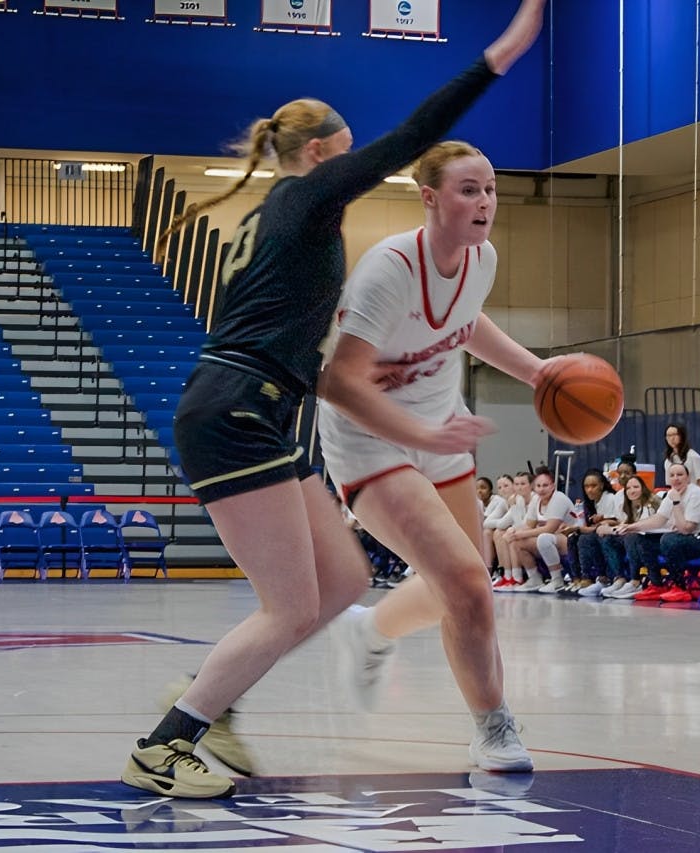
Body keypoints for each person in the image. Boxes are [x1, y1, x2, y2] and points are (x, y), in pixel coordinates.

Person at [119, 0, 549, 799]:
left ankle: (213, 701)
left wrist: (332, 376)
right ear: (319, 155)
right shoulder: (310, 198)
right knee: (288, 608)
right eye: (348, 158)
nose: (359, 168)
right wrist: (500, 56)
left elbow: (267, 334)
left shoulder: (279, 221)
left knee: (345, 585)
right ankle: (167, 740)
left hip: (260, 402)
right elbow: (415, 134)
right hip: (236, 413)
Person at [318, 139, 566, 773]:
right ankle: (493, 725)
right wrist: (421, 436)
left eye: (489, 189)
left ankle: (369, 630)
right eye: (468, 189)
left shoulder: (481, 259)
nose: (484, 201)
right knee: (464, 583)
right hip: (370, 438)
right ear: (429, 197)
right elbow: (339, 382)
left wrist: (538, 372)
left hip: (440, 427)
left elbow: (469, 321)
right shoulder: (388, 270)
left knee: (467, 583)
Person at [623, 462, 700, 602]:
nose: (676, 478)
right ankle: (657, 584)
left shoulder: (695, 494)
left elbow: (686, 528)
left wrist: (677, 503)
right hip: (689, 541)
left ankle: (679, 587)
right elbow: (658, 519)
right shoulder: (671, 494)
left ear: (688, 478)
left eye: (680, 475)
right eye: (672, 475)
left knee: (670, 540)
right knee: (642, 540)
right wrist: (631, 527)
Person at [663, 422, 700, 490]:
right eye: (669, 435)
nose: (672, 438)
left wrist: (692, 494)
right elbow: (670, 485)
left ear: (682, 436)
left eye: (675, 434)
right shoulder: (668, 461)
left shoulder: (693, 456)